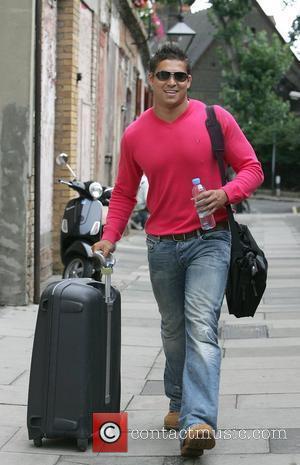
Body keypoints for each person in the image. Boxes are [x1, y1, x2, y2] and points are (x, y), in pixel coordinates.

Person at [92, 44, 264, 457]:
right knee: (173, 329)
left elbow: (252, 168)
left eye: (180, 76)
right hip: (162, 246)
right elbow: (124, 196)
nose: (172, 82)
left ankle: (199, 420)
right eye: (164, 75)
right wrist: (109, 237)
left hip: (211, 241)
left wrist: (225, 193)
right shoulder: (136, 133)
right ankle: (177, 401)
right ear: (151, 79)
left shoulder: (214, 119)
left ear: (189, 81)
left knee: (200, 325)